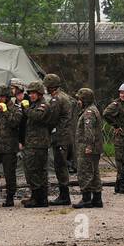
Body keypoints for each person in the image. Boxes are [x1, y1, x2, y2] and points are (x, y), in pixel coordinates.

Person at [21, 80, 58, 208]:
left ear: (40, 93)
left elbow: (37, 117)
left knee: (35, 170)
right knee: (36, 170)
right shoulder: (35, 104)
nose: (31, 95)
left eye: (34, 93)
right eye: (30, 93)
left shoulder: (43, 105)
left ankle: (39, 199)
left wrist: (25, 108)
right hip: (34, 143)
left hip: (38, 144)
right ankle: (38, 197)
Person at [44, 73, 75, 206]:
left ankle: (64, 196)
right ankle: (63, 195)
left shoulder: (56, 99)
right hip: (66, 135)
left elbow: (52, 118)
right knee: (61, 165)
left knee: (60, 166)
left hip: (60, 136)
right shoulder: (65, 97)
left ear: (51, 87)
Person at [72, 88, 104, 208]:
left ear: (84, 100)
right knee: (94, 173)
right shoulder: (92, 110)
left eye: (79, 99)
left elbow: (89, 131)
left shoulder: (88, 113)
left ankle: (86, 199)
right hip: (94, 148)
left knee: (85, 172)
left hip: (87, 148)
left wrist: (89, 146)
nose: (78, 102)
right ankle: (97, 199)